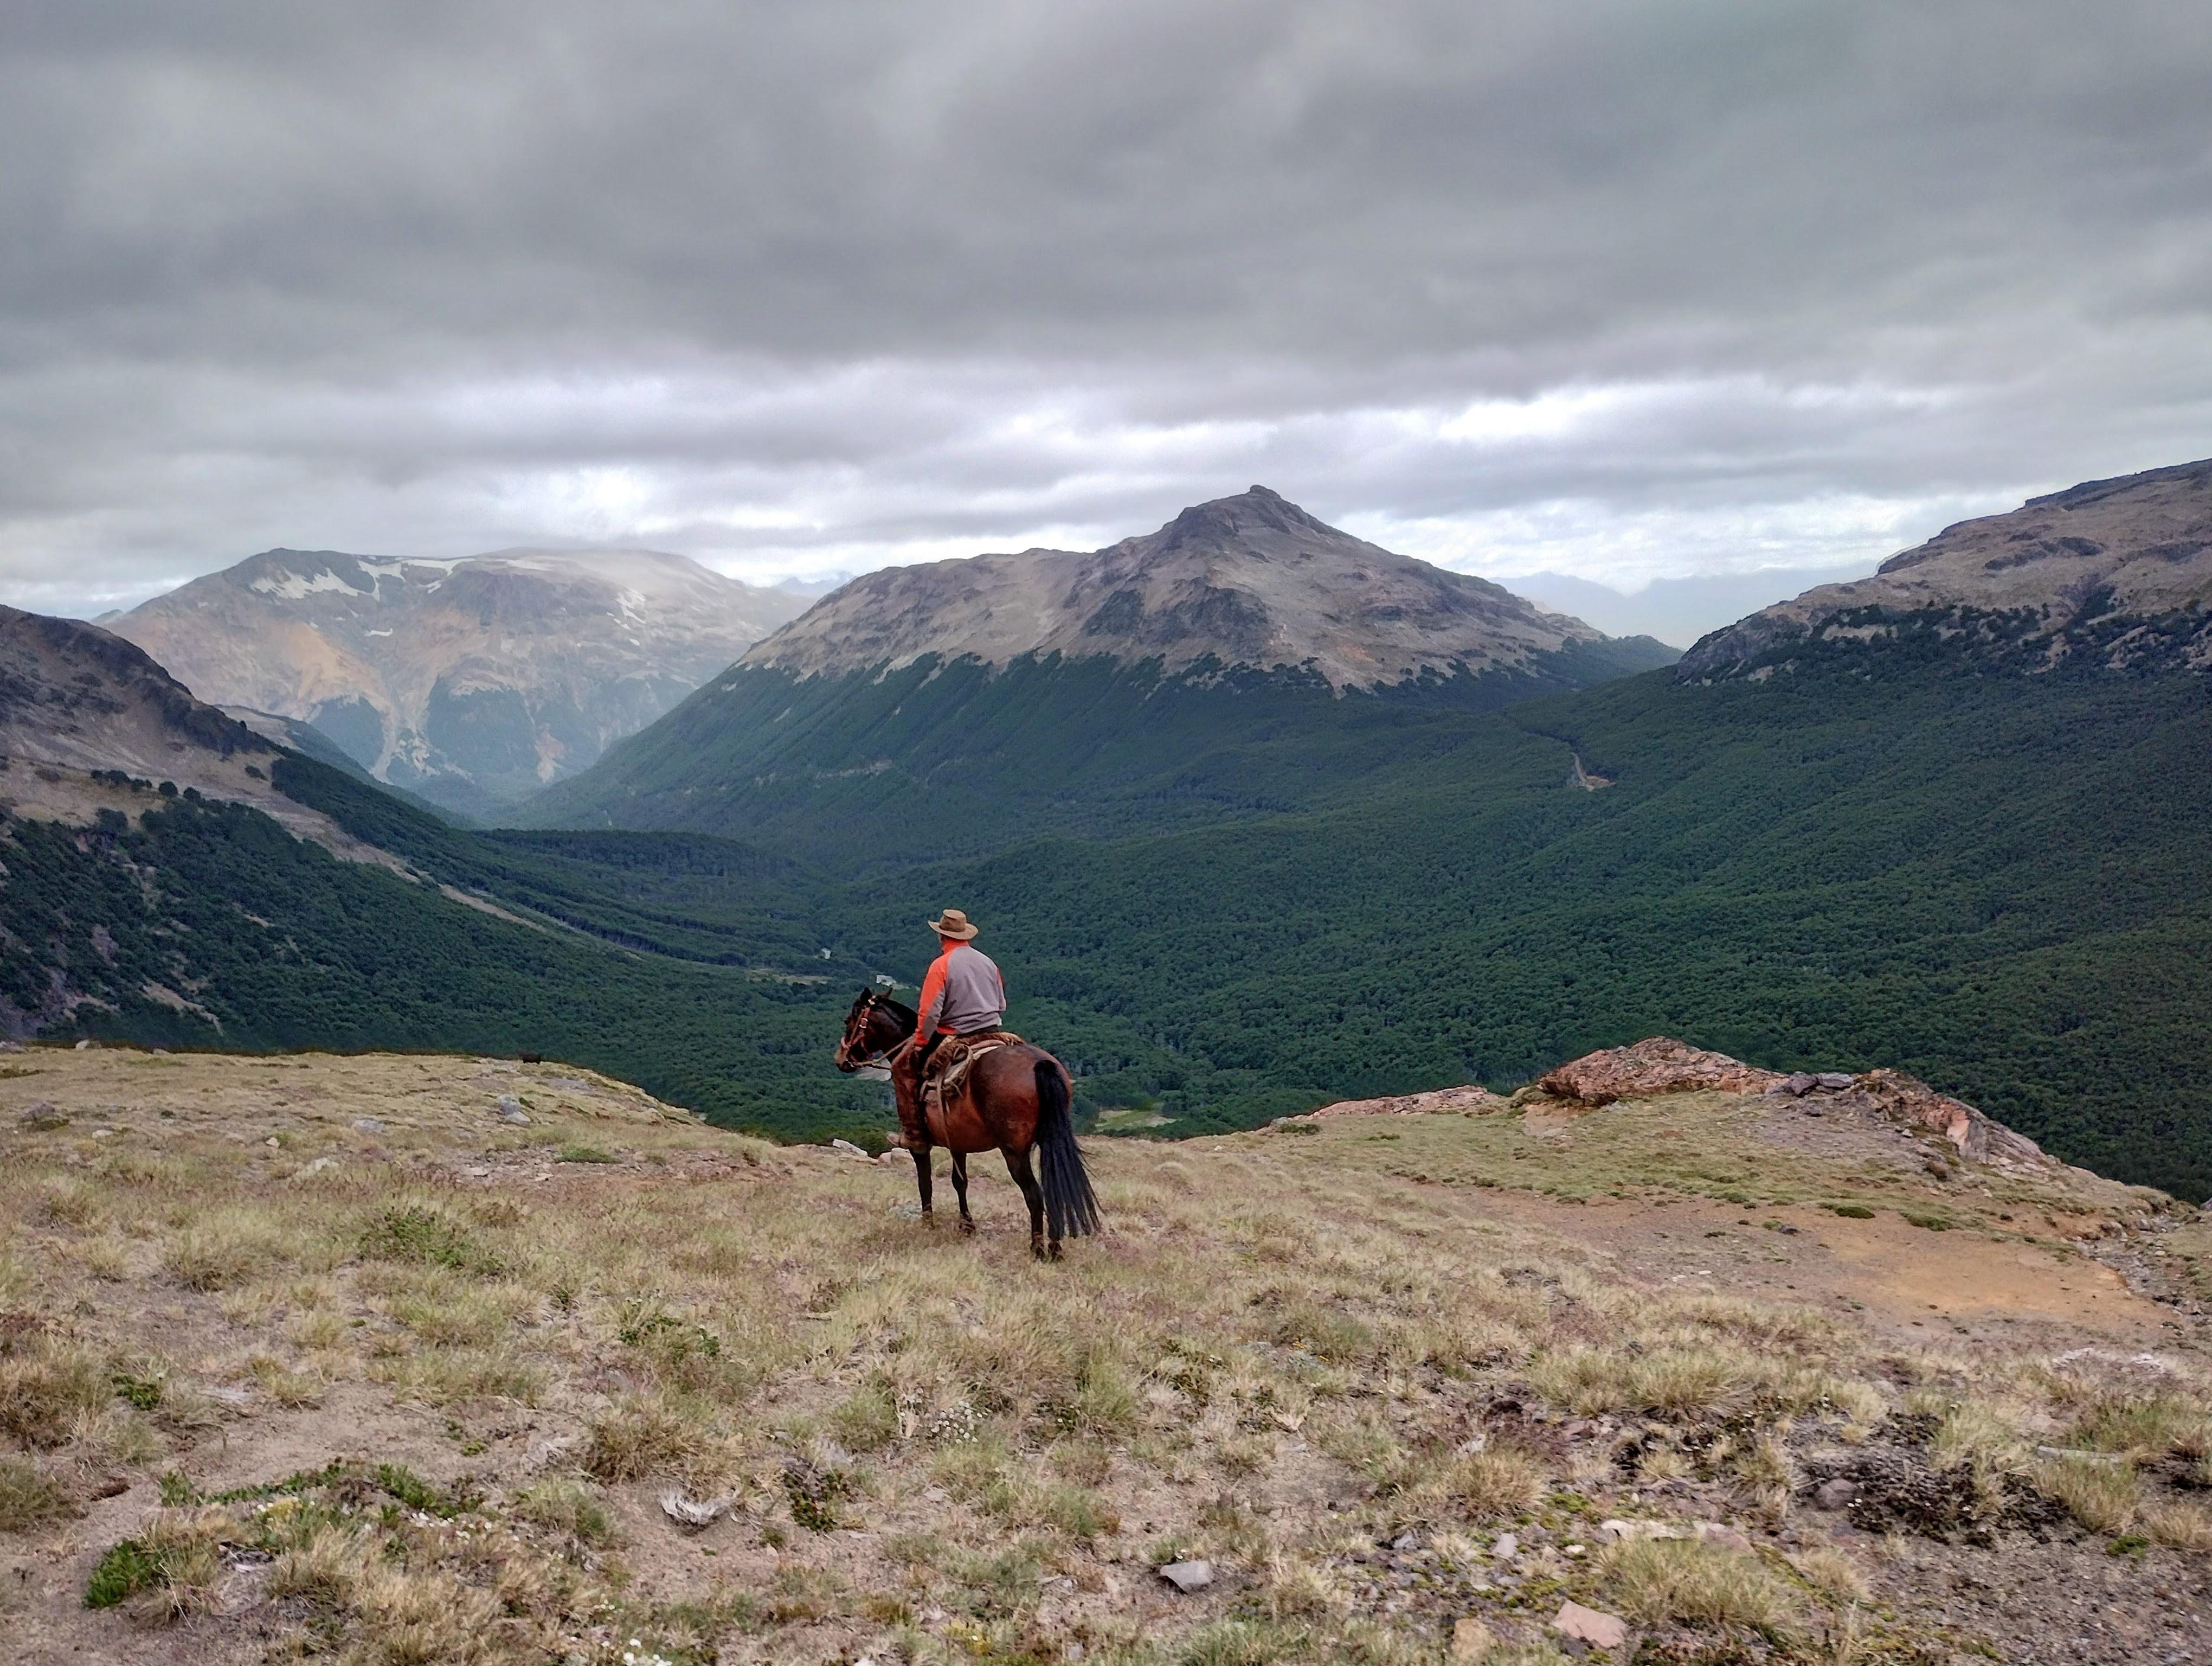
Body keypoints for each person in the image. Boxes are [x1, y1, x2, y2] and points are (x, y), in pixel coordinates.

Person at [912, 908, 1006, 1072]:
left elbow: (930, 1014)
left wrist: (921, 1042)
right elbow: (1001, 1005)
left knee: (917, 1073)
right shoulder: (988, 962)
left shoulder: (940, 966)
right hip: (992, 1031)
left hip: (957, 1035)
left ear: (941, 936)